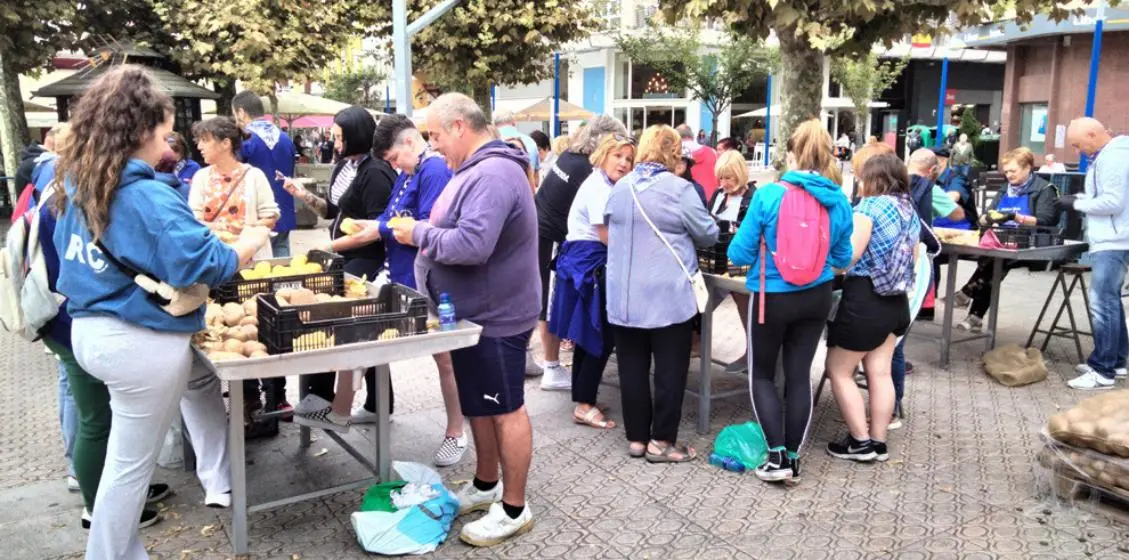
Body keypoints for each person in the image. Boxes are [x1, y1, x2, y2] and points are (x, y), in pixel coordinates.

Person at [51, 65, 270, 560]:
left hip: (90, 330)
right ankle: (109, 554)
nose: (169, 145)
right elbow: (210, 263)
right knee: (129, 467)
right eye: (166, 133)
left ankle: (137, 539)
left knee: (136, 447)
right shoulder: (145, 194)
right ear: (142, 130)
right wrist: (253, 239)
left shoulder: (82, 181)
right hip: (138, 341)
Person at [385, 93, 539, 546]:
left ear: (458, 126)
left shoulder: (492, 173)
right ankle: (486, 484)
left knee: (505, 408)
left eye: (435, 134)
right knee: (480, 405)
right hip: (473, 314)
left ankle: (515, 508)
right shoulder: (474, 169)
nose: (432, 144)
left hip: (498, 316)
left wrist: (418, 232)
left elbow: (472, 245)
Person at [727, 119, 854, 482]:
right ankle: (794, 457)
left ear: (792, 153)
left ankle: (777, 457)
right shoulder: (838, 201)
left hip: (772, 298)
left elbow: (738, 253)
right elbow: (843, 258)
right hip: (817, 297)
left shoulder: (768, 195)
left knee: (762, 375)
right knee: (799, 376)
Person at [355, 113, 466, 466]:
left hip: (430, 280)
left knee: (445, 358)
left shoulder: (432, 171)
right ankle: (359, 406)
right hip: (403, 277)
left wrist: (379, 229)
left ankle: (456, 432)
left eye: (393, 158)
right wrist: (371, 226)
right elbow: (392, 216)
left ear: (408, 142)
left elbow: (429, 226)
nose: (394, 166)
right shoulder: (410, 171)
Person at [604, 125, 719, 463]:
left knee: (632, 369)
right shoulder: (680, 189)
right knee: (670, 371)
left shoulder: (620, 187)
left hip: (623, 296)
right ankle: (661, 442)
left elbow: (610, 225)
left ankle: (637, 439)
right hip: (667, 295)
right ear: (673, 153)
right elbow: (708, 234)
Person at [284, 106, 396, 431]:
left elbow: (376, 229)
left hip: (369, 261)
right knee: (366, 332)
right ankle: (375, 403)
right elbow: (333, 211)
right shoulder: (344, 166)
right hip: (345, 257)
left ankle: (331, 402)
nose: (334, 143)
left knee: (344, 325)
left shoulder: (375, 173)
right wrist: (302, 195)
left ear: (355, 135)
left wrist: (331, 247)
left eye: (339, 137)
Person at [825, 153, 922, 464]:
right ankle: (879, 442)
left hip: (865, 300)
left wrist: (825, 264)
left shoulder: (868, 208)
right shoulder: (910, 211)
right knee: (880, 373)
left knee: (838, 370)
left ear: (871, 178)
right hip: (896, 303)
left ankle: (859, 441)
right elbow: (915, 258)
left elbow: (849, 257)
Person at [533, 115, 628, 390]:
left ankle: (552, 363)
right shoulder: (587, 169)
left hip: (542, 228)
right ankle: (552, 367)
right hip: (552, 234)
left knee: (548, 299)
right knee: (550, 302)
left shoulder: (569, 156)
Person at [548, 133, 635, 430]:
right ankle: (584, 405)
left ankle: (585, 398)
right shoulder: (598, 187)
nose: (623, 163)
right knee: (601, 334)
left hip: (584, 262)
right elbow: (607, 236)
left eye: (628, 159)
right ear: (603, 155)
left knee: (588, 334)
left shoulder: (603, 183)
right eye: (618, 156)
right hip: (589, 264)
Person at [950, 147, 1059, 333]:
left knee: (995, 262)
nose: (1008, 175)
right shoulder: (1005, 189)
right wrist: (986, 218)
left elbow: (1046, 220)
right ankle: (974, 315)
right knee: (992, 262)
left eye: (1013, 171)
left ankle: (968, 293)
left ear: (1028, 168)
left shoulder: (1044, 189)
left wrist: (1016, 217)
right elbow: (989, 213)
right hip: (1002, 239)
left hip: (1030, 243)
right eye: (1006, 171)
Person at [1056, 118, 1129, 389]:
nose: (1077, 151)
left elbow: (1113, 202)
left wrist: (1077, 204)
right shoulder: (1110, 155)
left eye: (1077, 145)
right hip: (1115, 237)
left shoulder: (1113, 158)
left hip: (1114, 239)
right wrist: (1080, 200)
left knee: (1102, 302)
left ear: (1092, 134)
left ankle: (1103, 370)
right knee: (1110, 300)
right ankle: (1116, 361)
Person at [188, 117, 280, 260]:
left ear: (226, 143)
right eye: (199, 141)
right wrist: (222, 227)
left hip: (250, 258)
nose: (199, 146)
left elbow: (270, 218)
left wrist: (246, 227)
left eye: (205, 140)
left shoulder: (254, 176)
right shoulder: (201, 177)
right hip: (213, 258)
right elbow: (194, 220)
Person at [708, 150, 757, 374]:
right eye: (721, 178)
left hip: (741, 263)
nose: (724, 183)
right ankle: (697, 342)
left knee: (745, 307)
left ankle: (752, 353)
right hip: (715, 260)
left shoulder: (753, 198)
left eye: (729, 178)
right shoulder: (718, 195)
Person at [231, 90, 297, 257]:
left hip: (256, 215)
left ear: (241, 112)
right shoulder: (285, 139)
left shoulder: (246, 142)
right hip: (284, 208)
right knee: (283, 260)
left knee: (257, 263)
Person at [676, 123, 719, 200]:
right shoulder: (713, 152)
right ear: (692, 135)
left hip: (687, 199)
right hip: (712, 198)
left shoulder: (675, 154)